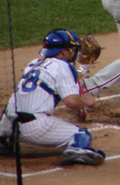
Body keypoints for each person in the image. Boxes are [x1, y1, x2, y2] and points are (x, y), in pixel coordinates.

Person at [0, 29, 105, 166]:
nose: (74, 51)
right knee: (81, 134)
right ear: (62, 52)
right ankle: (78, 151)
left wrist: (83, 69)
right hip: (34, 128)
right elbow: (71, 102)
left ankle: (2, 141)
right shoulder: (62, 66)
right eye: (71, 48)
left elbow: (60, 81)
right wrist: (86, 102)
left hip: (9, 124)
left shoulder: (34, 63)